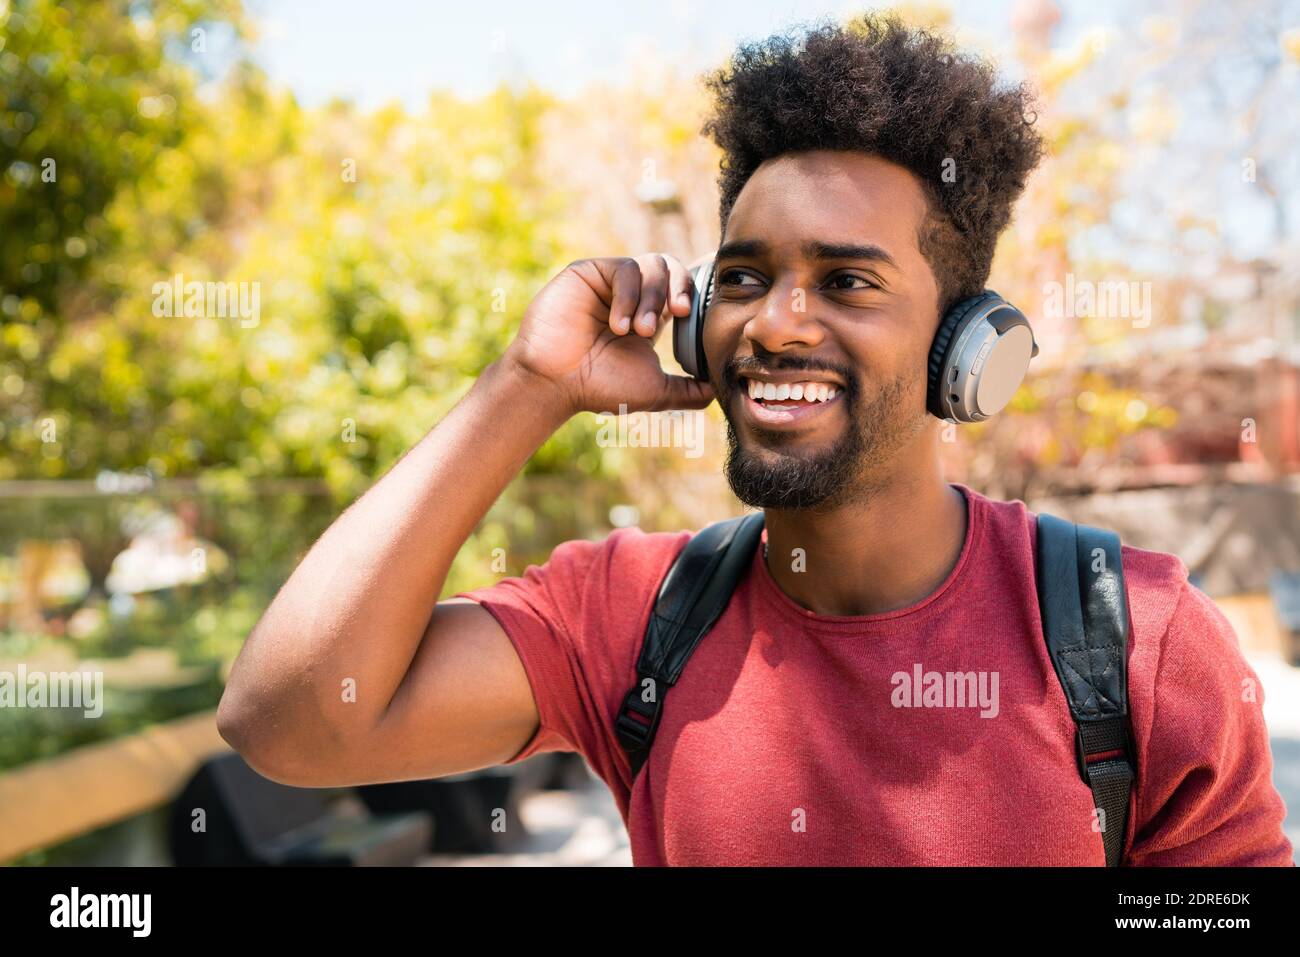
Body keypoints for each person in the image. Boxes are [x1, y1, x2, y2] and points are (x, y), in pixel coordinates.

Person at [217, 14, 1294, 866]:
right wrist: (528, 386)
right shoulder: (630, 617)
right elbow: (291, 722)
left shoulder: (1137, 637)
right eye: (741, 278)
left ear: (966, 346)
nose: (775, 323)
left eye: (846, 281)